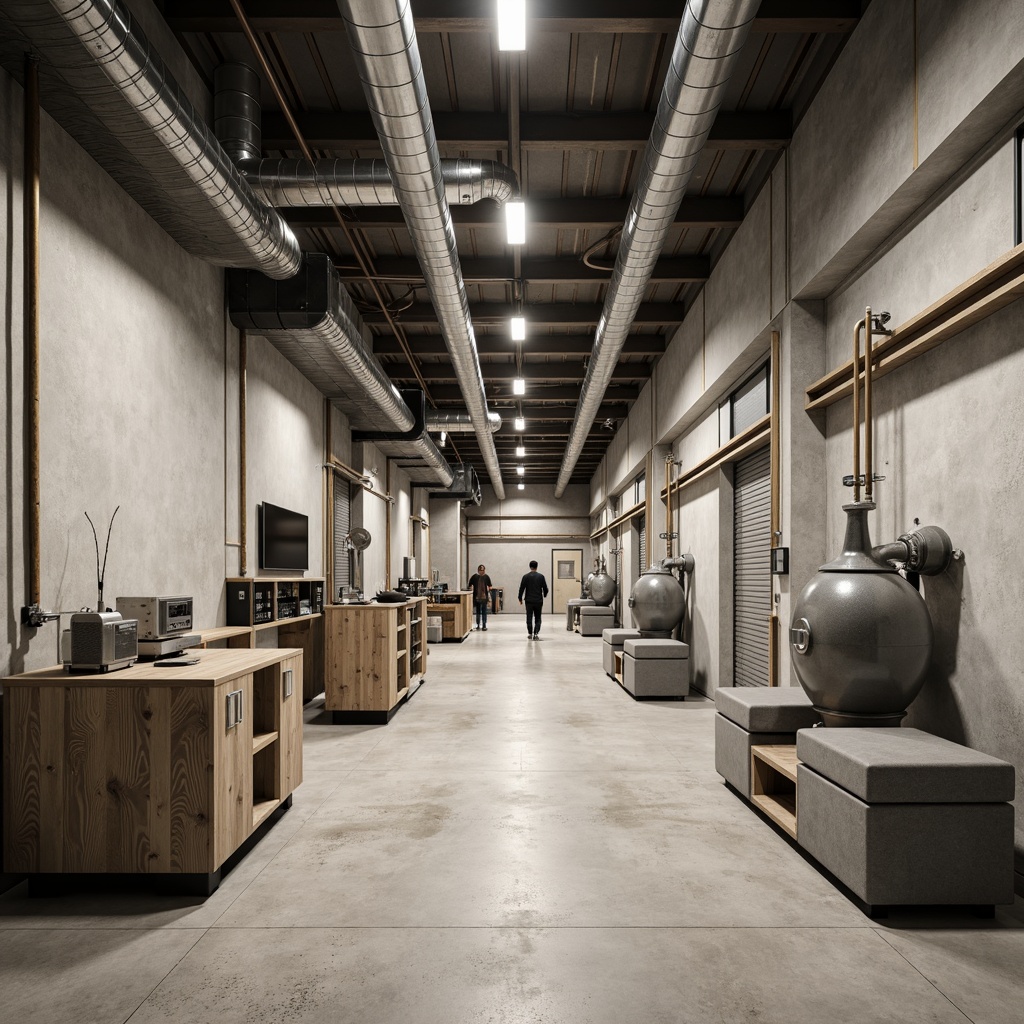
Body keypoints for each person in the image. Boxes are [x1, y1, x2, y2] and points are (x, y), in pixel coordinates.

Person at [518, 559, 549, 640]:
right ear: (536, 567)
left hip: (528, 601)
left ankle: (530, 633)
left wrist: (520, 598)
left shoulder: (525, 577)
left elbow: (521, 588)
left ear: (530, 566)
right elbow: (545, 588)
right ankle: (536, 633)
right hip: (538, 600)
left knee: (529, 617)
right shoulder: (541, 577)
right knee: (538, 617)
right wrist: (544, 595)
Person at [467, 563, 492, 630]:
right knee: (478, 611)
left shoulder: (486, 577)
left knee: (484, 611)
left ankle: (484, 624)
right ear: (478, 570)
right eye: (480, 570)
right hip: (477, 597)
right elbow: (469, 584)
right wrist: (471, 588)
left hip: (484, 597)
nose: (482, 572)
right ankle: (478, 624)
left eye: (483, 570)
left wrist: (488, 590)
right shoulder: (475, 577)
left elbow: (490, 586)